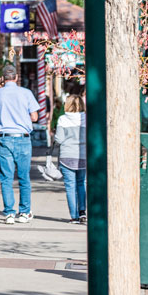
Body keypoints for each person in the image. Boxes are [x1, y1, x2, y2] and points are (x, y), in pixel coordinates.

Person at [0, 63, 43, 224]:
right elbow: (34, 117)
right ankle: (24, 212)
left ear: (3, 79)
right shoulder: (26, 93)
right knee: (24, 177)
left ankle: (9, 214)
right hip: (22, 137)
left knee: (6, 177)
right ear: (16, 77)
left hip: (4, 138)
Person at [54, 93, 87, 223]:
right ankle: (82, 212)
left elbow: (59, 139)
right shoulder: (86, 119)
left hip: (67, 156)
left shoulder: (63, 119)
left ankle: (74, 216)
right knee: (81, 183)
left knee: (70, 186)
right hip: (83, 155)